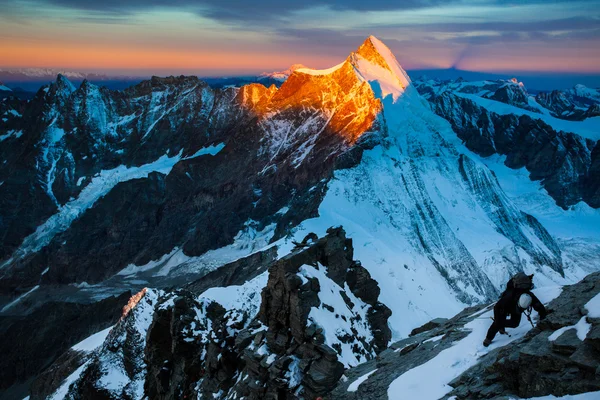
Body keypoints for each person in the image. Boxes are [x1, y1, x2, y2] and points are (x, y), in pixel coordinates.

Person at [483, 273, 547, 347]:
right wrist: (490, 336)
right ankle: (488, 339)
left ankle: (501, 326)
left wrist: (543, 316)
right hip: (502, 307)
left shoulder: (528, 296)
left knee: (514, 323)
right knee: (498, 322)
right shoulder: (507, 299)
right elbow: (497, 307)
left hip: (513, 308)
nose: (522, 309)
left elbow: (538, 305)